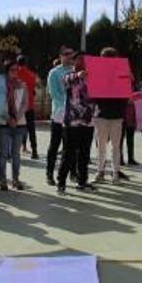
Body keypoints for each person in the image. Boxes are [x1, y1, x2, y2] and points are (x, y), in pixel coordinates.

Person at [56, 54, 96, 194]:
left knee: (85, 155)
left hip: (88, 122)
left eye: (85, 60)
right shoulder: (69, 76)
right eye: (79, 60)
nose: (82, 62)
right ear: (74, 62)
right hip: (71, 123)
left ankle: (82, 182)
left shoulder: (94, 78)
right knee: (68, 154)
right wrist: (78, 75)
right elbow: (65, 81)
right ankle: (61, 182)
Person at [92, 47, 130, 184]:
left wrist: (128, 81)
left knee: (115, 147)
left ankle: (115, 174)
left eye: (110, 59)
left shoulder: (123, 74)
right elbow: (92, 97)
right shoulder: (97, 74)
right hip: (101, 115)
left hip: (117, 115)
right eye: (104, 59)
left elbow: (128, 96)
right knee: (101, 146)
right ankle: (100, 172)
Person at [0, 59, 29, 191]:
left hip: (19, 123)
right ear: (6, 71)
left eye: (16, 70)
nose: (15, 73)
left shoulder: (22, 85)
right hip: (3, 122)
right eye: (12, 70)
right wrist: (8, 118)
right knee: (3, 153)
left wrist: (17, 117)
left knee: (16, 153)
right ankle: (2, 180)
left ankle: (16, 179)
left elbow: (25, 104)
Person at [46, 46, 75, 186]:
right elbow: (54, 93)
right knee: (55, 144)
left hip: (74, 115)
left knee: (70, 147)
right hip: (59, 113)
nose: (69, 56)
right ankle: (49, 174)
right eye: (66, 54)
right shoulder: (54, 72)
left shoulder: (76, 71)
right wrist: (67, 104)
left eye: (71, 54)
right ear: (61, 56)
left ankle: (72, 173)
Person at [16, 55, 39, 159]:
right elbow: (33, 89)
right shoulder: (32, 75)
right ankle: (34, 150)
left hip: (17, 106)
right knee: (31, 128)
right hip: (29, 105)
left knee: (18, 128)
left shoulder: (15, 74)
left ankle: (18, 148)